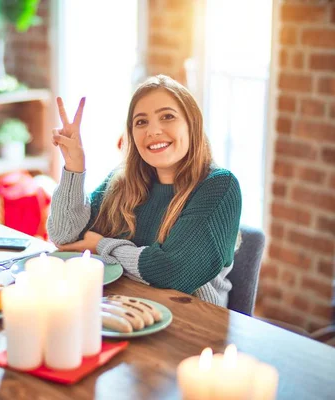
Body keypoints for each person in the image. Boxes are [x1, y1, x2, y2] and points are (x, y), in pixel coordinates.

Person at [47, 75, 242, 307]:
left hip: (192, 321)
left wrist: (101, 246)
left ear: (192, 124)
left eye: (167, 117)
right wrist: (73, 168)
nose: (153, 131)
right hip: (124, 307)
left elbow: (174, 273)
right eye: (141, 122)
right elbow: (64, 237)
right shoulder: (122, 182)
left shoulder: (219, 186)